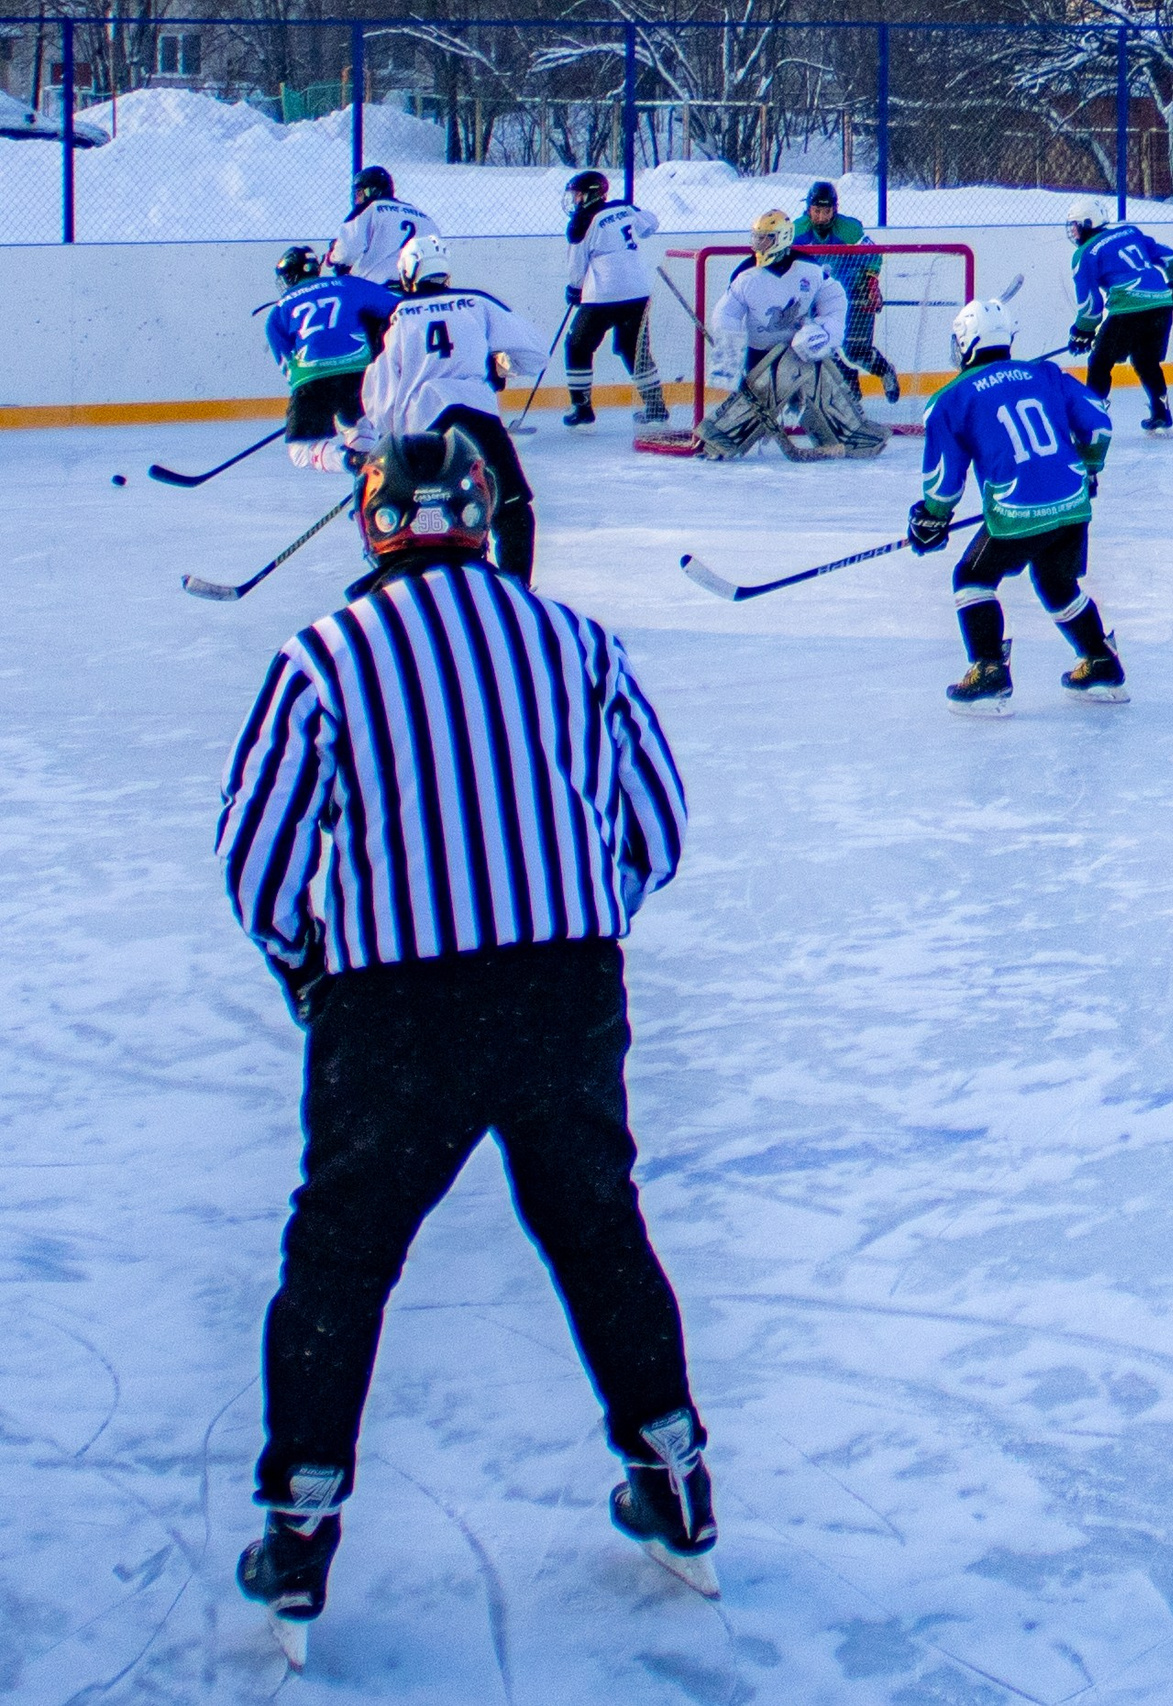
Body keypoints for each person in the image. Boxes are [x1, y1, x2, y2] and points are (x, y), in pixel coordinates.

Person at [215, 428, 716, 1669]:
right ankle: (675, 1476)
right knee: (598, 1226)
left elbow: (259, 862)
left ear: (376, 521)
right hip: (564, 986)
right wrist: (566, 928)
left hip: (395, 1007)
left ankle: (300, 1526)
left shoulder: (324, 654)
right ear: (483, 517)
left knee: (340, 1255)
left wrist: (310, 972)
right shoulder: (576, 639)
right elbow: (654, 821)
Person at [908, 297, 1124, 715]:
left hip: (1016, 509)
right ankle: (1100, 662)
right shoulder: (1046, 373)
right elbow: (1098, 424)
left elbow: (944, 482)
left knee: (972, 577)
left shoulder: (950, 399)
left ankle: (988, 673)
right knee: (1057, 585)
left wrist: (932, 519)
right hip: (1071, 502)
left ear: (965, 342)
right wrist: (1090, 469)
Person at [356, 234, 549, 581]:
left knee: (417, 515)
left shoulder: (398, 315)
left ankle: (416, 592)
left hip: (425, 427)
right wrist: (501, 366)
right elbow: (535, 354)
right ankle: (514, 592)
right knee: (512, 506)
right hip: (479, 417)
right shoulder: (476, 303)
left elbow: (379, 397)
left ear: (409, 272)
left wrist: (387, 441)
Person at [697, 210, 883, 460]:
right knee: (759, 396)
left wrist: (825, 332)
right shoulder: (745, 276)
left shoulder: (809, 269)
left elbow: (834, 298)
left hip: (800, 352)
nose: (759, 244)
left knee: (820, 377)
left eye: (766, 238)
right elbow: (726, 314)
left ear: (783, 238)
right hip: (761, 356)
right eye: (757, 238)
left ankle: (849, 434)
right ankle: (724, 438)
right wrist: (730, 349)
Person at [263, 245, 400, 471]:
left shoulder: (278, 311)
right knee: (360, 428)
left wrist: (311, 405)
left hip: (312, 377)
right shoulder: (348, 284)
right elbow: (396, 305)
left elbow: (290, 369)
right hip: (358, 373)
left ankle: (348, 461)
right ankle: (367, 476)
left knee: (300, 451)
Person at [1066, 198, 1173, 437]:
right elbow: (1170, 258)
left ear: (1087, 223)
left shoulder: (1084, 254)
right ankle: (1161, 413)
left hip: (1128, 310)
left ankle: (1093, 418)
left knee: (1099, 363)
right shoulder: (1129, 232)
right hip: (1161, 306)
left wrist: (1083, 330)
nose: (1073, 232)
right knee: (1146, 361)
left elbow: (1090, 303)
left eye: (1075, 226)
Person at [560, 168, 669, 430]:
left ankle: (582, 408)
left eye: (577, 195)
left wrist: (574, 289)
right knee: (635, 349)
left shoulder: (582, 222)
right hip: (638, 291)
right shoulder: (624, 208)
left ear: (590, 195)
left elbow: (577, 265)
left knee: (577, 345)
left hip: (604, 295)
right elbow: (651, 224)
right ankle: (656, 407)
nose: (575, 200)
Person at [794, 181, 901, 403]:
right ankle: (850, 384)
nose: (822, 217)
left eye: (827, 211)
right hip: (819, 302)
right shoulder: (797, 231)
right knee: (817, 345)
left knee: (855, 350)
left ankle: (884, 371)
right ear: (808, 209)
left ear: (835, 209)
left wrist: (871, 285)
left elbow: (873, 254)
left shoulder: (850, 229)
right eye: (817, 211)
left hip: (854, 295)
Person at [327, 165, 442, 287]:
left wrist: (332, 257)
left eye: (359, 193)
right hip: (418, 288)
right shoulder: (423, 216)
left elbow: (347, 251)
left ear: (371, 191)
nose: (357, 200)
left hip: (377, 288)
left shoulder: (369, 209)